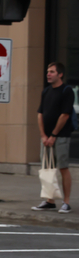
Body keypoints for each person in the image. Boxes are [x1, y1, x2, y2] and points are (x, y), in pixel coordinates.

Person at [32, 62, 75, 213]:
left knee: (63, 168)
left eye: (52, 72)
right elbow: (40, 114)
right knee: (47, 169)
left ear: (60, 74)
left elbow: (65, 115)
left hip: (61, 136)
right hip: (46, 138)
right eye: (47, 72)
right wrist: (44, 135)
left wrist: (54, 135)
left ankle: (66, 202)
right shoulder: (46, 92)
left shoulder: (67, 91)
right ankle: (49, 200)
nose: (48, 74)